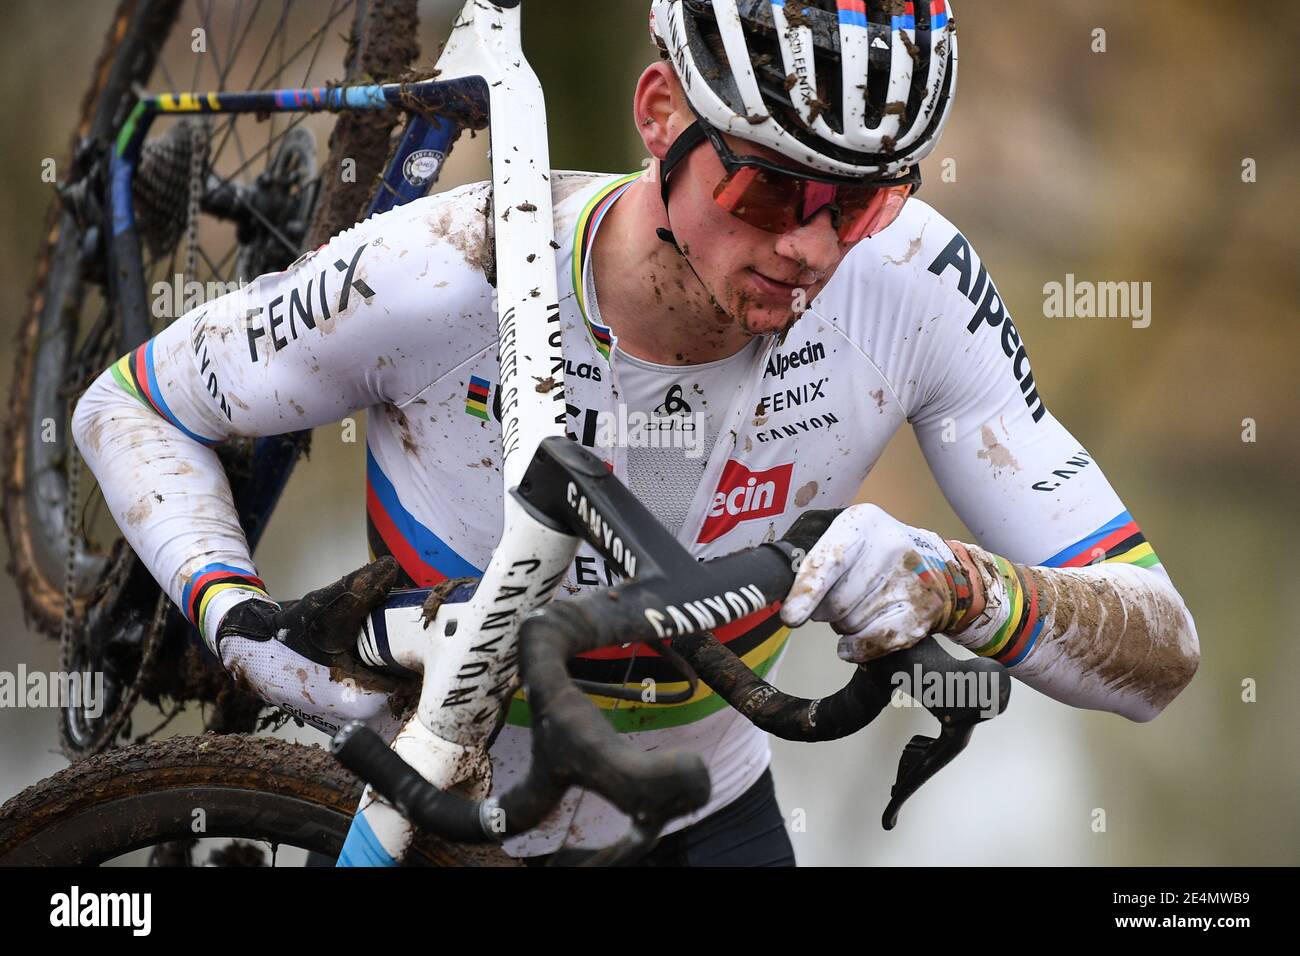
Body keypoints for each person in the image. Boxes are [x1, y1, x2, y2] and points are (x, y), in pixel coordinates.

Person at [71, 0, 1198, 866]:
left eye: (858, 204)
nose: (811, 249)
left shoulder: (913, 287)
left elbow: (1160, 650)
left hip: (704, 802)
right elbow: (126, 403)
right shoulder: (437, 274)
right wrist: (243, 624)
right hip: (433, 794)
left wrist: (963, 586)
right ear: (659, 115)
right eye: (765, 192)